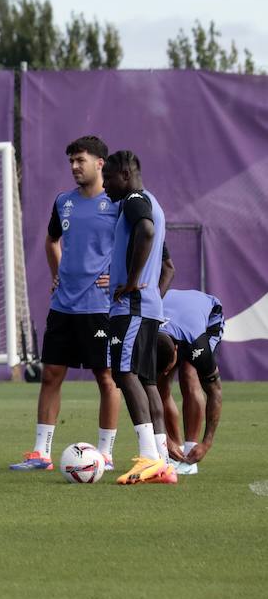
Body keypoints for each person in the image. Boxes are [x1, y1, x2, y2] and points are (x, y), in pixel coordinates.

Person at [11, 135, 120, 472]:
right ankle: (41, 453)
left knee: (106, 378)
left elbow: (136, 246)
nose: (74, 167)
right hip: (63, 306)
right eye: (71, 161)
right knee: (51, 375)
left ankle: (105, 454)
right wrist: (57, 274)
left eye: (81, 160)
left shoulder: (117, 204)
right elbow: (51, 241)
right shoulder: (63, 202)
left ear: (100, 163)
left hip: (100, 308)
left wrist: (117, 276)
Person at [102, 150, 176, 486]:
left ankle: (148, 457)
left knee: (124, 373)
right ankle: (162, 461)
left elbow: (145, 231)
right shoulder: (153, 203)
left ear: (126, 174)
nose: (104, 184)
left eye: (108, 176)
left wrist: (131, 283)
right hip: (147, 308)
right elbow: (168, 265)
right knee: (147, 382)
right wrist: (152, 297)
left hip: (131, 307)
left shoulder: (135, 201)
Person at [156, 289, 224, 475]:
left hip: (206, 316)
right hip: (170, 314)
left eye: (170, 365)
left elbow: (215, 391)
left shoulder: (196, 342)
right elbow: (143, 395)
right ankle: (175, 449)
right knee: (159, 385)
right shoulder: (143, 339)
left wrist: (206, 443)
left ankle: (190, 452)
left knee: (188, 375)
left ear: (177, 349)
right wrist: (164, 440)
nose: (169, 370)